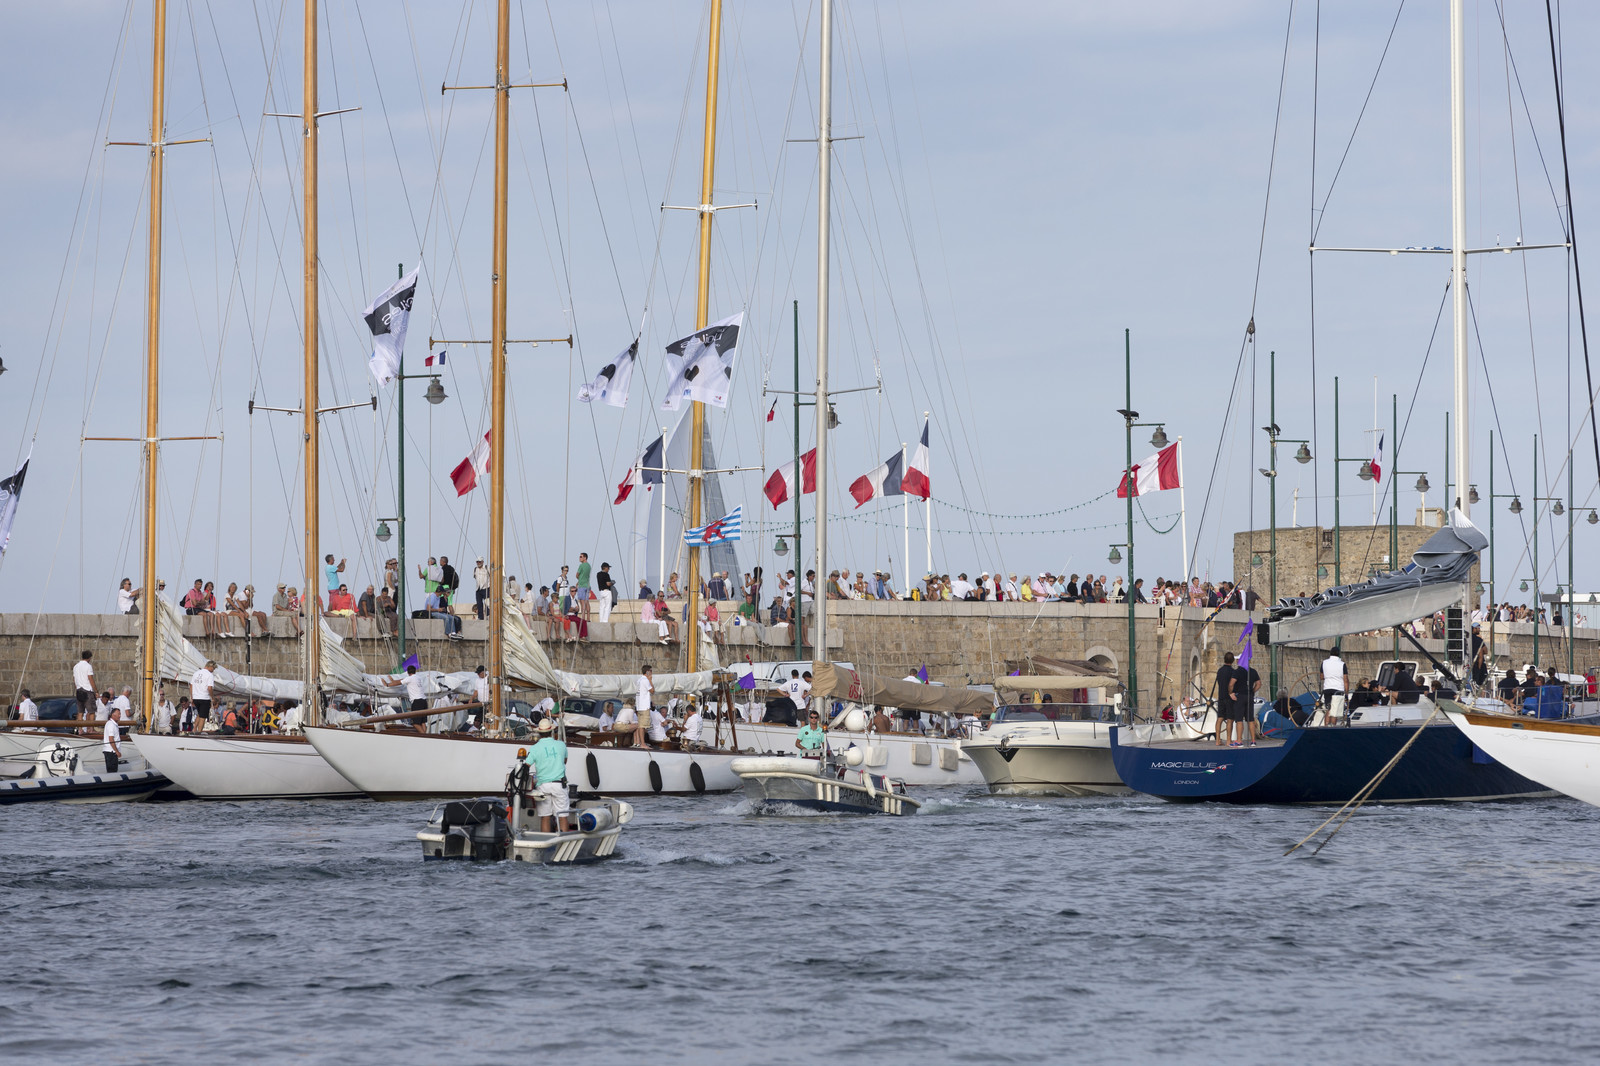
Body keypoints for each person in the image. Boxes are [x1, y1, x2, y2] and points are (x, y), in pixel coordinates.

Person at [523, 719, 571, 833]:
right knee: (562, 816)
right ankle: (562, 843)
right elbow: (564, 761)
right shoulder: (561, 745)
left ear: (539, 733)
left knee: (545, 817)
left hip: (543, 786)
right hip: (559, 784)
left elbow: (526, 765)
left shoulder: (535, 748)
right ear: (552, 731)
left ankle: (546, 842)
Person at [1214, 651, 1238, 747]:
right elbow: (1232, 685)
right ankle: (1228, 740)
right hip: (1229, 697)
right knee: (1230, 719)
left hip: (1221, 696)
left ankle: (1217, 740)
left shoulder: (1219, 671)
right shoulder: (1233, 672)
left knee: (1219, 718)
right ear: (1232, 661)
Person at [1321, 646, 1348, 723]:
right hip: (1338, 689)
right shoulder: (1342, 664)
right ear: (1339, 654)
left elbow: (1322, 676)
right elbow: (1345, 680)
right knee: (1335, 711)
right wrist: (1346, 693)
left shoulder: (1324, 663)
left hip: (1327, 688)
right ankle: (1333, 727)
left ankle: (1326, 727)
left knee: (1328, 709)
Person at [191, 660, 217, 728]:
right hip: (204, 698)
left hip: (196, 697)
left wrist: (192, 697)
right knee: (203, 717)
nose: (213, 670)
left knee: (199, 714)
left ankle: (194, 730)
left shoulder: (196, 673)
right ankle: (199, 733)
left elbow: (191, 685)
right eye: (213, 668)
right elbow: (209, 688)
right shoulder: (209, 675)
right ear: (210, 666)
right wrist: (212, 698)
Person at [72, 650, 96, 721]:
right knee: (92, 711)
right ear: (89, 658)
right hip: (87, 690)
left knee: (80, 712)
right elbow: (90, 679)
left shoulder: (75, 666)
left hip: (79, 690)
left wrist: (77, 687)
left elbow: (74, 679)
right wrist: (96, 691)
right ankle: (91, 728)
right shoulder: (88, 666)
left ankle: (80, 729)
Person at [635, 666, 655, 750]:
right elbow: (652, 691)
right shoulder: (646, 680)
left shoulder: (639, 680)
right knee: (643, 726)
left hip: (639, 706)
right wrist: (650, 680)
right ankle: (642, 743)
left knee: (640, 726)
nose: (651, 673)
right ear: (647, 672)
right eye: (651, 671)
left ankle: (640, 743)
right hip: (644, 706)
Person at [102, 705, 123, 773]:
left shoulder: (112, 724)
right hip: (111, 752)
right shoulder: (111, 725)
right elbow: (111, 739)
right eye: (118, 714)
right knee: (112, 771)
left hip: (110, 751)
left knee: (112, 770)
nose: (120, 716)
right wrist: (117, 751)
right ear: (113, 715)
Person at [471, 665, 490, 731]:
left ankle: (488, 732)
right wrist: (472, 698)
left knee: (487, 720)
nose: (478, 675)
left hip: (488, 704)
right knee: (479, 719)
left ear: (483, 672)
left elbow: (491, 691)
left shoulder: (488, 679)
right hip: (481, 703)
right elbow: (476, 691)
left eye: (479, 673)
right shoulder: (477, 680)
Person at [575, 552, 593, 621]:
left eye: (581, 557)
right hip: (587, 585)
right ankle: (588, 618)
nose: (580, 558)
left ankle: (583, 618)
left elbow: (577, 575)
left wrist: (579, 580)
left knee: (582, 602)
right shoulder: (589, 566)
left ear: (585, 558)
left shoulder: (581, 565)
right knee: (587, 602)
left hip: (582, 586)